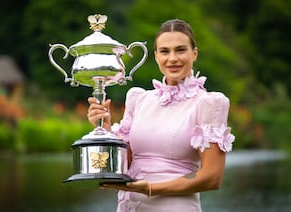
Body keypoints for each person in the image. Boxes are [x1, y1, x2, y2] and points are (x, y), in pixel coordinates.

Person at [87, 19, 235, 212]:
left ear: (194, 54)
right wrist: (104, 129)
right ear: (156, 56)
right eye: (165, 51)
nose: (172, 58)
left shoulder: (208, 104)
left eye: (180, 50)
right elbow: (124, 164)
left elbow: (211, 178)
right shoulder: (138, 99)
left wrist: (150, 188)